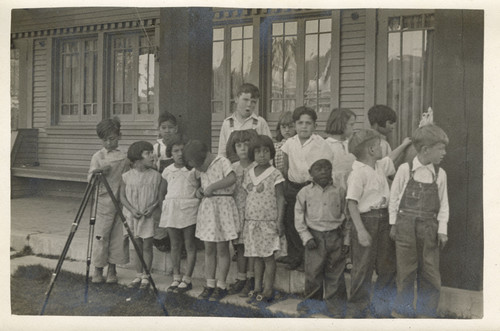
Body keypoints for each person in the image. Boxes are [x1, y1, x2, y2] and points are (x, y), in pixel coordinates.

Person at [345, 129, 412, 318]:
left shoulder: (378, 166)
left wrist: (406, 143)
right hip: (366, 221)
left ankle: (381, 308)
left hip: (384, 219)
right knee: (362, 267)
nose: (384, 146)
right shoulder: (358, 173)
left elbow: (391, 158)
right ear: (372, 149)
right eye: (380, 144)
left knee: (387, 266)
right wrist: (360, 231)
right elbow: (351, 203)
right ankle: (357, 309)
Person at [389, 124, 449, 318]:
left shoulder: (440, 174)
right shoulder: (405, 170)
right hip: (405, 227)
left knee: (430, 271)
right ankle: (403, 311)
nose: (444, 153)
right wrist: (393, 224)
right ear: (425, 150)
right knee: (406, 271)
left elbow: (444, 205)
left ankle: (426, 313)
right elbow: (394, 198)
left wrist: (442, 230)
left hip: (430, 228)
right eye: (440, 149)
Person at [183, 140, 239, 302]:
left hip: (222, 207)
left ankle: (221, 285)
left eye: (199, 166)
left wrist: (213, 187)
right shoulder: (199, 169)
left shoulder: (222, 162)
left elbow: (232, 178)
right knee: (209, 249)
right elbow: (194, 184)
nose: (199, 170)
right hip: (208, 209)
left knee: (222, 248)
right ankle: (210, 284)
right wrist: (199, 192)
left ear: (205, 157)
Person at [280, 106, 334, 271]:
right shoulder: (289, 143)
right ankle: (295, 256)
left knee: (309, 223)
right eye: (300, 123)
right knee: (291, 222)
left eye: (308, 123)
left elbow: (326, 167)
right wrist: (286, 185)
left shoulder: (321, 144)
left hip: (312, 188)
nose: (304, 126)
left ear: (315, 126)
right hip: (293, 187)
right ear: (295, 125)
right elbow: (285, 166)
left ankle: (309, 259)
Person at [294, 159, 348, 317]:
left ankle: (335, 306)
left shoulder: (339, 190)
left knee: (336, 273)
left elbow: (347, 216)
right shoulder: (304, 192)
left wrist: (346, 240)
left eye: (327, 168)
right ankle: (312, 303)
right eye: (319, 169)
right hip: (314, 237)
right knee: (313, 273)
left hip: (335, 235)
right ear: (310, 173)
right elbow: (298, 217)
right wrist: (306, 236)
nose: (324, 171)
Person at [242, 135, 285, 304]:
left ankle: (268, 289)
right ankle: (257, 287)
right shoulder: (248, 173)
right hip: (252, 222)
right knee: (256, 257)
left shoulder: (275, 174)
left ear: (271, 153)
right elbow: (247, 197)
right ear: (252, 153)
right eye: (258, 151)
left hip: (268, 223)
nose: (262, 155)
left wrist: (279, 221)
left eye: (266, 151)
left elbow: (281, 198)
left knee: (268, 257)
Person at [88, 117, 130, 284]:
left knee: (118, 235)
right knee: (102, 235)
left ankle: (113, 269)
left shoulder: (124, 156)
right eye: (104, 140)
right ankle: (98, 269)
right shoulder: (98, 156)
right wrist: (98, 172)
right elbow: (90, 178)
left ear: (119, 136)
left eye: (112, 139)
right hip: (104, 202)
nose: (108, 143)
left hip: (120, 200)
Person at [159, 137, 200, 294]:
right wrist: (164, 209)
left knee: (189, 244)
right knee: (174, 244)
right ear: (171, 153)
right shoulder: (168, 171)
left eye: (183, 150)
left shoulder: (194, 170)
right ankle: (176, 276)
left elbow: (200, 188)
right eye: (176, 151)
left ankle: (187, 279)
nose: (180, 153)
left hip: (189, 208)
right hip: (172, 209)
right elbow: (162, 193)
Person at [120, 141, 162, 289]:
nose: (152, 155)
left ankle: (146, 275)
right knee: (137, 245)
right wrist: (131, 210)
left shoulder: (156, 176)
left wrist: (152, 208)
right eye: (148, 153)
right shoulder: (126, 176)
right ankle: (138, 275)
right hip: (133, 215)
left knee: (147, 245)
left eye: (152, 152)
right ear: (137, 159)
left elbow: (159, 196)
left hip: (147, 215)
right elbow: (122, 197)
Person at [225, 130, 259, 297]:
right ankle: (241, 278)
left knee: (250, 246)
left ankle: (251, 279)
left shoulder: (257, 168)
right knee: (239, 246)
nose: (243, 148)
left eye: (247, 144)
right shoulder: (232, 168)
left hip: (253, 211)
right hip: (237, 211)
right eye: (239, 145)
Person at [324, 108, 358, 271]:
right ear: (341, 124)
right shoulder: (326, 145)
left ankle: (348, 258)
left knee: (349, 224)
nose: (353, 128)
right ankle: (335, 259)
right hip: (335, 191)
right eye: (351, 124)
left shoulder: (350, 144)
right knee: (336, 225)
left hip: (350, 188)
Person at [217, 83, 272, 161]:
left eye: (253, 102)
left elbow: (268, 151)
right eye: (245, 100)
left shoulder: (260, 122)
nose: (249, 104)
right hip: (232, 169)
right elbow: (222, 154)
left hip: (255, 170)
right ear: (236, 99)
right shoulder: (227, 123)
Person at [273, 111, 296, 175]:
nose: (287, 130)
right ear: (279, 128)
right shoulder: (275, 147)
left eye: (290, 127)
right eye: (283, 127)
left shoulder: (299, 145)